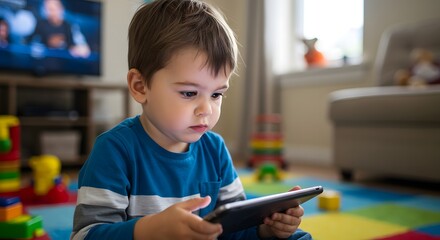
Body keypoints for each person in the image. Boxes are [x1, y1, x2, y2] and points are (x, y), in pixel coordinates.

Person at [71, 0, 312, 239]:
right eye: (189, 93)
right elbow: (86, 235)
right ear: (140, 86)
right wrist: (150, 230)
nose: (206, 109)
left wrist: (266, 229)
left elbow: (233, 230)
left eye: (217, 94)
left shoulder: (215, 150)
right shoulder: (114, 151)